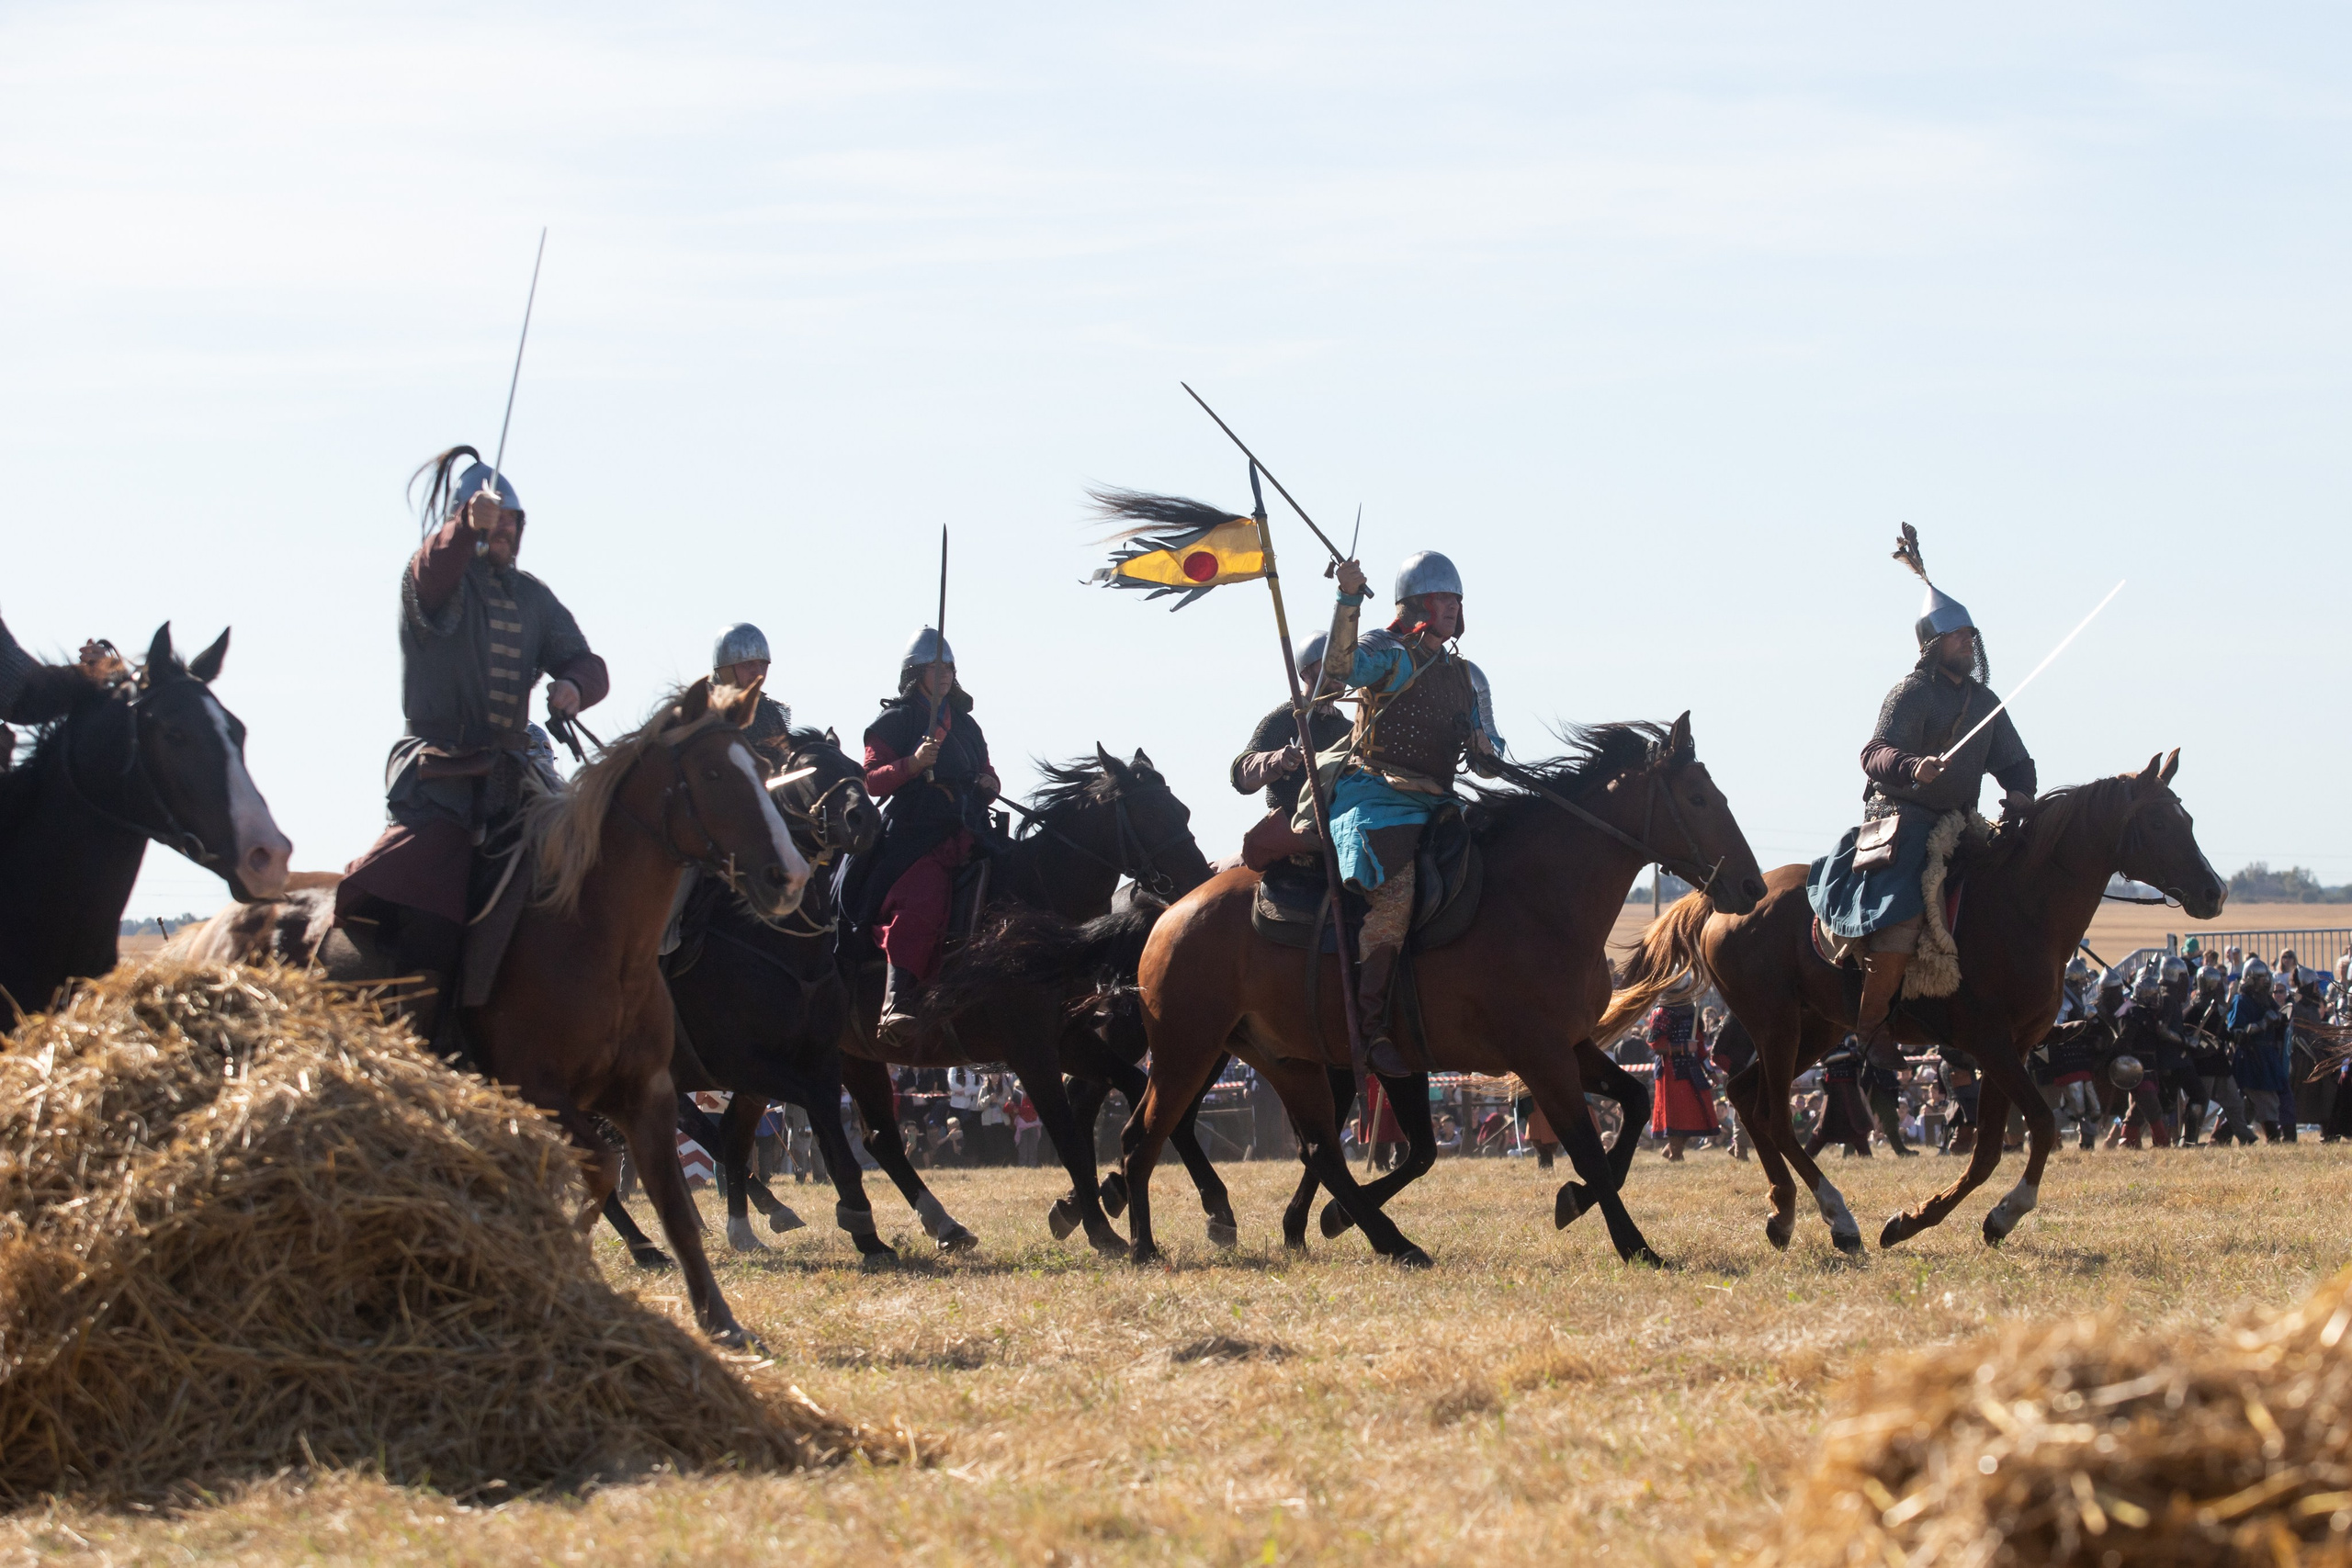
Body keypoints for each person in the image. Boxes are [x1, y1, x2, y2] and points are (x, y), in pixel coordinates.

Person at [336, 448, 609, 1041]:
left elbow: (588, 663)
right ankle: (417, 1039)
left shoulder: (534, 597)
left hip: (517, 777)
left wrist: (572, 685)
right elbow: (436, 567)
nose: (505, 529)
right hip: (440, 775)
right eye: (495, 519)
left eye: (513, 521)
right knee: (430, 905)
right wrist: (464, 528)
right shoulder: (433, 580)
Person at [1808, 530, 2036, 1060]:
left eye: (1971, 635)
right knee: (1904, 912)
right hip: (1903, 820)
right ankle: (1870, 1024)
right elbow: (1874, 754)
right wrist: (1914, 768)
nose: (1968, 643)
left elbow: (2016, 763)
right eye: (1958, 636)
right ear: (1933, 644)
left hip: (1962, 822)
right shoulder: (1911, 694)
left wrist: (2022, 794)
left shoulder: (1986, 702)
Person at [1321, 552, 1506, 1075]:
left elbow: (1492, 757)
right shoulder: (1387, 652)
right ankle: (1372, 1028)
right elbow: (1339, 669)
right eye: (1443, 598)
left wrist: (1484, 748)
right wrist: (1348, 597)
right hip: (1376, 798)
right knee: (1395, 898)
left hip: (1439, 801)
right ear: (1420, 604)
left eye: (1456, 600)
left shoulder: (1469, 676)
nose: (1453, 607)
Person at [839, 627, 1001, 1043]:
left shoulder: (966, 726)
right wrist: (912, 764)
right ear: (916, 672)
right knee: (921, 895)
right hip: (914, 832)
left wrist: (988, 783)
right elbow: (871, 781)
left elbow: (990, 772)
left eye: (949, 666)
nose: (944, 673)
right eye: (935, 666)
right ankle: (896, 1000)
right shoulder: (896, 721)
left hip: (969, 824)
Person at [2183, 963, 2253, 1145]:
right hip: (2202, 1065)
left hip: (2219, 1064)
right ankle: (2189, 1141)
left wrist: (2234, 1036)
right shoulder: (2193, 1011)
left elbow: (2222, 1034)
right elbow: (2186, 1035)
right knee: (2199, 1105)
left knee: (2235, 1103)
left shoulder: (2218, 1009)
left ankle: (2245, 1137)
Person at [710, 622, 793, 771]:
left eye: (762, 664)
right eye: (748, 664)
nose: (758, 673)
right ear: (726, 668)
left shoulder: (769, 713)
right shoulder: (701, 710)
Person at [1645, 998, 1720, 1159]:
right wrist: (1684, 1047)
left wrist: (1710, 1071)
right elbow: (1657, 1045)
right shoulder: (1661, 1011)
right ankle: (1676, 1154)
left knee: (1698, 1113)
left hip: (1692, 1068)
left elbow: (1699, 1046)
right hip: (1671, 1070)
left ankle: (1672, 1150)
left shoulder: (1691, 1011)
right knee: (1676, 1116)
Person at [2231, 957, 2291, 1141]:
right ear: (2250, 979)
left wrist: (2280, 1019)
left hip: (2268, 1056)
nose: (2264, 982)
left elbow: (2280, 1019)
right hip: (2251, 1057)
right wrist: (2263, 1023)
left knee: (2246, 1105)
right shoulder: (2241, 1001)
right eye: (2260, 978)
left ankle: (2220, 1137)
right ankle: (2273, 1138)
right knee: (2266, 1100)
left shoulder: (2266, 1000)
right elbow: (2237, 1033)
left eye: (2265, 978)